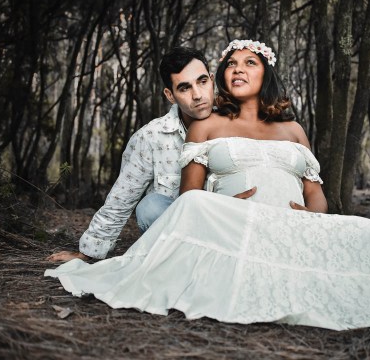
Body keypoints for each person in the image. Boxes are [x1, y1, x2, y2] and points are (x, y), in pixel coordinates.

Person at [46, 39, 370, 332]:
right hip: (227, 222)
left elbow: (316, 194)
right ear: (170, 94)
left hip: (290, 222)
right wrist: (90, 252)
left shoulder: (293, 130)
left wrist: (312, 216)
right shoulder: (198, 128)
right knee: (167, 207)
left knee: (366, 229)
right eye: (230, 64)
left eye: (247, 63)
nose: (234, 71)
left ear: (261, 73)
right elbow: (175, 198)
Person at [46, 47, 254, 262]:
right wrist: (88, 252)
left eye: (202, 82)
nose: (198, 95)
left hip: (230, 226)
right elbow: (121, 198)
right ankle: (186, 261)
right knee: (150, 207)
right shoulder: (151, 137)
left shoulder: (238, 122)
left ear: (211, 80)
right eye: (184, 88)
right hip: (181, 236)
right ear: (170, 95)